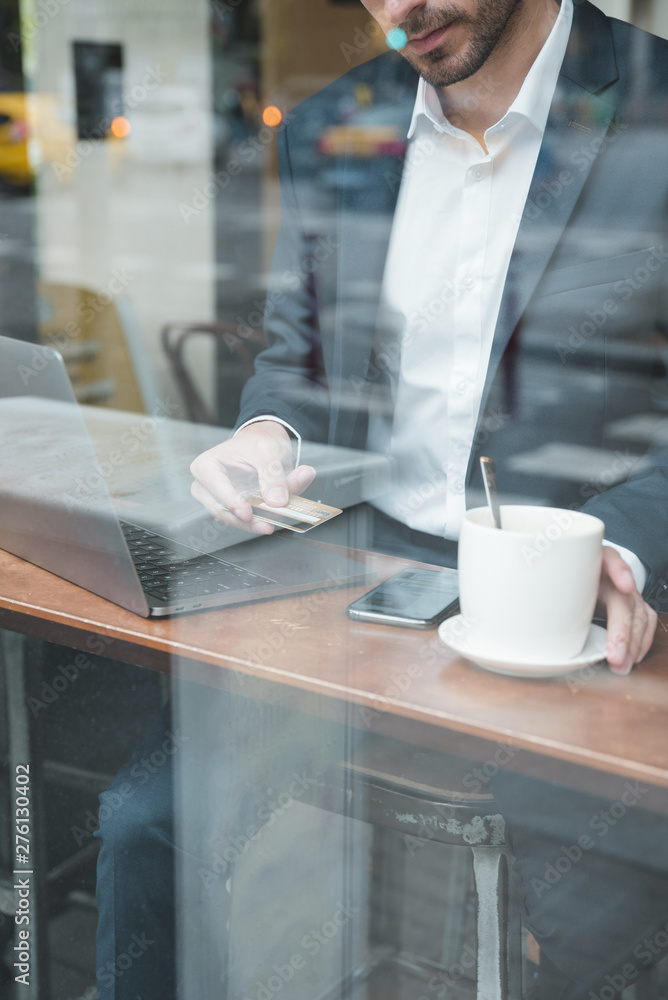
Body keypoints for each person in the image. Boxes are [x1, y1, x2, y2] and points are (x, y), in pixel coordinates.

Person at [97, 2, 668, 997]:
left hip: (570, 600)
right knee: (146, 823)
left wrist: (617, 549)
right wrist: (262, 436)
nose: (396, 9)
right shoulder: (337, 124)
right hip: (356, 580)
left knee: (594, 924)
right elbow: (298, 361)